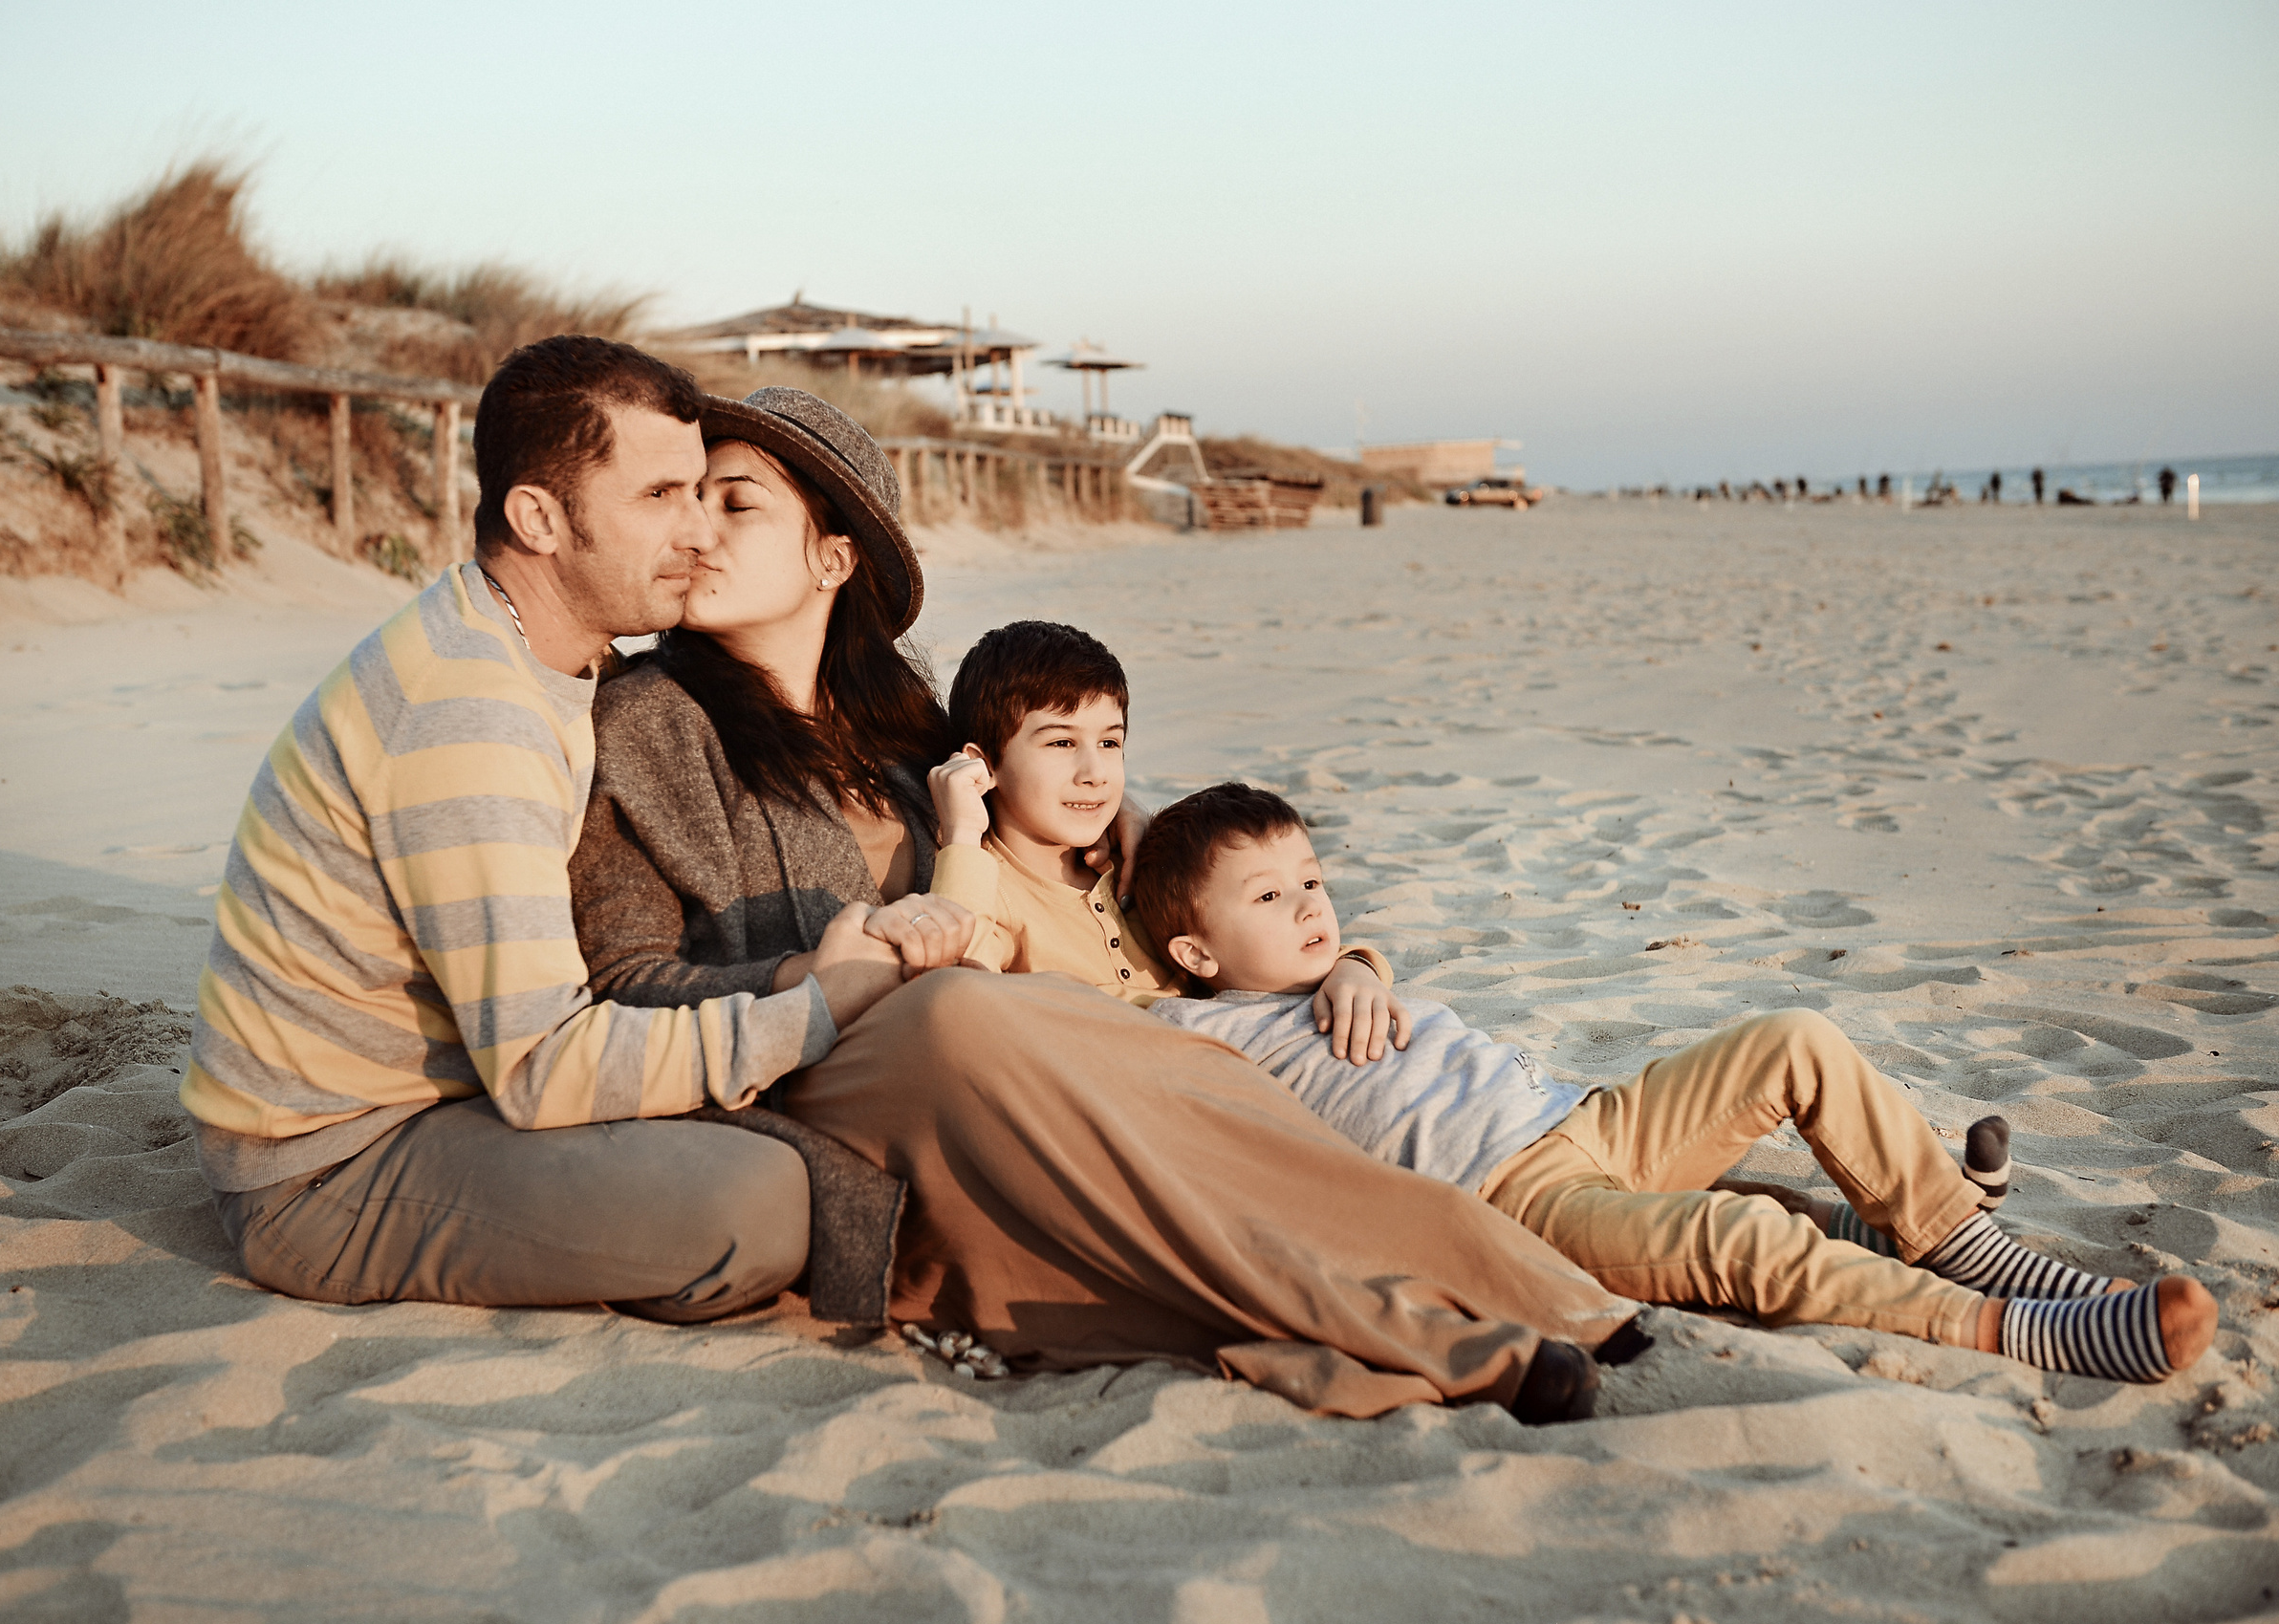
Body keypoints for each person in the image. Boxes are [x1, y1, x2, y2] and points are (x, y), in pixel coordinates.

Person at [568, 381, 1640, 1422]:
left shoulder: (906, 722)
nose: (695, 528)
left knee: (1176, 1061)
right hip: (827, 1065)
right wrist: (812, 977)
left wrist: (1350, 957)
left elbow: (1144, 849)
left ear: (832, 557)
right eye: (683, 498)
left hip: (1013, 1056)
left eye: (734, 501)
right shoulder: (648, 722)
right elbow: (620, 982)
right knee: (968, 1015)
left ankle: (1505, 1282)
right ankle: (1402, 1327)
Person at [179, 336, 913, 1325]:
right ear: (539, 518)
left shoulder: (547, 652)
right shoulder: (468, 713)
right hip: (327, 1164)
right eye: (660, 498)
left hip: (456, 1088)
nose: (699, 533)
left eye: (705, 493)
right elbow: (539, 1071)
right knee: (762, 1206)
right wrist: (813, 1009)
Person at [1123, 784, 2219, 1386]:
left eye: (1311, 880)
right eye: (1269, 899)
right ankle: (2017, 1328)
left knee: (1793, 1037)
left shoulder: (1336, 969)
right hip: (1522, 1206)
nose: (1312, 907)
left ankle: (1957, 1238)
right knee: (1747, 1241)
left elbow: (1321, 944)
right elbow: (1079, 1019)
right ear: (1197, 956)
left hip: (1582, 1120)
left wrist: (1357, 959)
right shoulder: (1200, 1034)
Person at [918, 618, 1401, 1051]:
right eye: (1062, 742)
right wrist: (962, 833)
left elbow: (1265, 940)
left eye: (1110, 742)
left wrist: (1354, 967)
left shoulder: (1134, 858)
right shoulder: (991, 889)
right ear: (982, 764)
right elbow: (951, 995)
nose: (1095, 773)